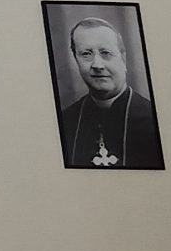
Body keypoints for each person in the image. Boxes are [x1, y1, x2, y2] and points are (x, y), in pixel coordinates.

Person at [57, 16, 163, 168]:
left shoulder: (153, 120)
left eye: (105, 53)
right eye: (86, 54)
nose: (97, 65)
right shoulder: (65, 121)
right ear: (76, 60)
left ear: (123, 59)